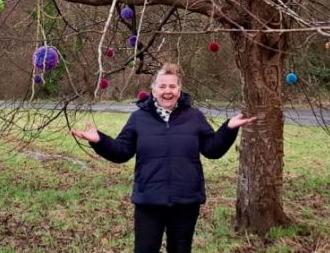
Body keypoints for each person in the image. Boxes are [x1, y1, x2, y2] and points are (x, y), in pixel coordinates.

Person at [72, 63, 257, 253]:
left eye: (172, 86)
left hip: (186, 200)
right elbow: (121, 152)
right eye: (162, 86)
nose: (167, 91)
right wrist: (99, 140)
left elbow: (212, 150)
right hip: (149, 200)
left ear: (179, 90)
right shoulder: (138, 119)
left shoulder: (194, 117)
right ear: (153, 90)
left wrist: (229, 128)